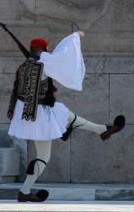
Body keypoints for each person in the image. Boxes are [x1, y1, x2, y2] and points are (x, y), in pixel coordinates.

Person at [8, 31, 125, 202]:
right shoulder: (43, 64)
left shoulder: (23, 66)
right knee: (43, 157)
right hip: (38, 115)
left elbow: (17, 88)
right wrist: (76, 36)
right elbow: (64, 56)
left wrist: (11, 110)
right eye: (47, 50)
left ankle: (102, 130)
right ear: (43, 49)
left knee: (65, 113)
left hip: (25, 112)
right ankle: (24, 191)